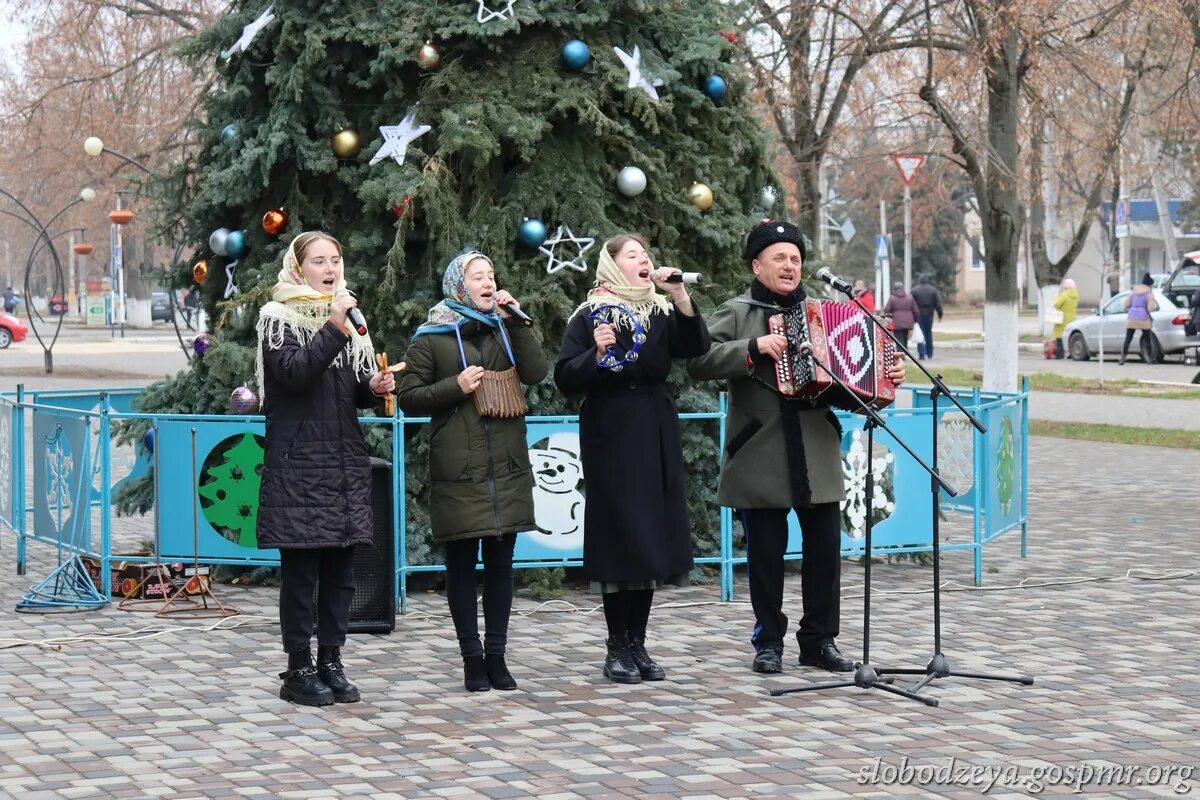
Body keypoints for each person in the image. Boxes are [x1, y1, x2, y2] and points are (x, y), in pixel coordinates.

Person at [686, 220, 906, 675]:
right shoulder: (738, 311)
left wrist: (882, 379)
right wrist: (753, 346)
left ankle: (819, 641)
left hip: (815, 448)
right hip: (760, 450)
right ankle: (768, 642)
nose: (789, 266)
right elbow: (698, 359)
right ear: (756, 264)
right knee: (766, 555)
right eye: (779, 257)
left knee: (824, 552)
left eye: (795, 258)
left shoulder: (823, 314)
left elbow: (846, 378)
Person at [554, 233, 710, 684]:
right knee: (620, 534)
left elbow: (694, 346)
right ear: (612, 265)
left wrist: (679, 293)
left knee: (650, 536)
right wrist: (596, 353)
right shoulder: (591, 313)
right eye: (633, 256)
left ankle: (638, 643)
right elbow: (566, 375)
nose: (644, 261)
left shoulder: (660, 309)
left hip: (655, 425)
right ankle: (616, 645)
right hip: (611, 428)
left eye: (646, 255)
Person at [396, 252, 547, 693]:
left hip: (507, 468)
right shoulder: (432, 336)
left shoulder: (506, 326)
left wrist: (518, 321)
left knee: (501, 565)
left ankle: (497, 656)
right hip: (458, 469)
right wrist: (455, 386)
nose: (487, 282)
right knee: (461, 566)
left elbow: (536, 373)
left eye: (491, 275)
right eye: (476, 276)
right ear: (458, 285)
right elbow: (410, 397)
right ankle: (471, 658)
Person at [255, 231, 394, 706]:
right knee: (301, 577)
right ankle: (298, 668)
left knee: (342, 573)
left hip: (342, 464)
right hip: (298, 467)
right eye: (319, 261)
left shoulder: (348, 324)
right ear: (299, 268)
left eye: (336, 259)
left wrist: (372, 386)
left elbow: (348, 388)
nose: (330, 268)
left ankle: (332, 660)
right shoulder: (278, 319)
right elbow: (294, 374)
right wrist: (335, 326)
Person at [1120, 272, 1159, 365]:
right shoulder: (1148, 293)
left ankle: (1122, 358)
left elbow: (1126, 304)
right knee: (1147, 338)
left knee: (1128, 338)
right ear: (1150, 285)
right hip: (1143, 317)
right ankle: (1149, 358)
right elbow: (1151, 307)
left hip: (1132, 316)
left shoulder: (1134, 292)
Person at [909, 274, 943, 359]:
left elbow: (910, 303)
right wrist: (940, 314)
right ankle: (930, 353)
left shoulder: (914, 290)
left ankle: (921, 354)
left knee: (920, 333)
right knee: (928, 333)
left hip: (918, 315)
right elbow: (938, 303)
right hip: (929, 315)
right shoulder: (933, 290)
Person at [883, 282, 918, 350]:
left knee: (898, 338)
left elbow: (887, 310)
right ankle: (905, 351)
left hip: (897, 321)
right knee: (905, 336)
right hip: (908, 321)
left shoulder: (892, 298)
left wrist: (889, 317)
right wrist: (915, 320)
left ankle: (901, 352)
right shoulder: (910, 298)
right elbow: (915, 310)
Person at [1050, 278, 1079, 359]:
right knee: (1070, 335)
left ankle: (1060, 354)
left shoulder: (1064, 295)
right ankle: (1071, 353)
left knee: (1059, 335)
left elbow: (1056, 305)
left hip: (1062, 317)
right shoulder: (1076, 294)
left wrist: (1055, 298)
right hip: (1072, 316)